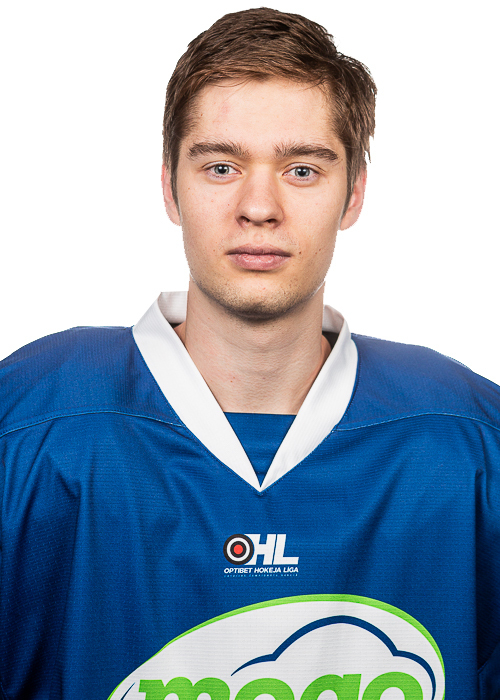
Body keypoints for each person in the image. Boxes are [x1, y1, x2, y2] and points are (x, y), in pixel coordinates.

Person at [0, 7, 499, 699]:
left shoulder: (470, 444)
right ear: (170, 187)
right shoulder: (32, 427)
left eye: (302, 169)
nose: (258, 206)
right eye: (222, 166)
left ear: (353, 194)